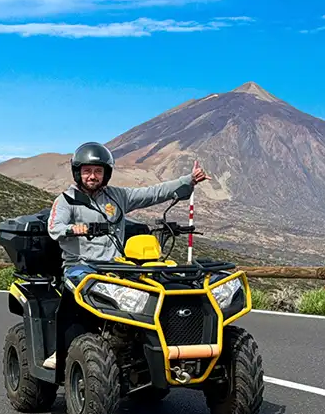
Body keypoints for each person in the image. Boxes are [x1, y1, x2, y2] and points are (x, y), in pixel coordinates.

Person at [43, 141, 211, 369]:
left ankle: (146, 348)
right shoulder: (66, 200)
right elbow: (55, 227)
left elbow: (152, 193)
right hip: (81, 266)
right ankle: (61, 350)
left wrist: (188, 181)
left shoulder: (117, 197)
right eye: (87, 171)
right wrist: (74, 228)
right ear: (78, 172)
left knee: (150, 292)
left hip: (116, 266)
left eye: (98, 171)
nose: (92, 176)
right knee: (76, 298)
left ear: (106, 173)